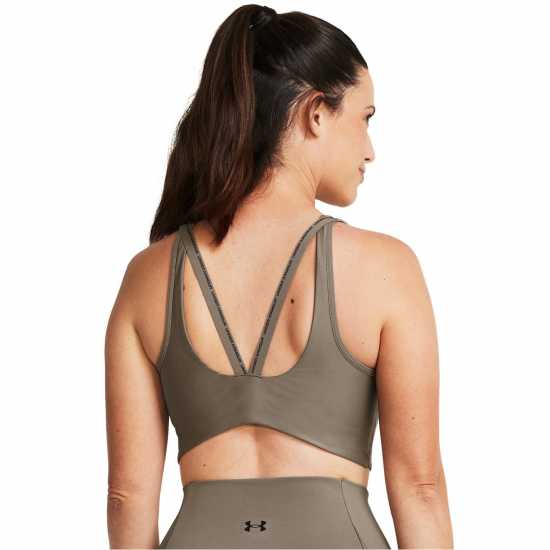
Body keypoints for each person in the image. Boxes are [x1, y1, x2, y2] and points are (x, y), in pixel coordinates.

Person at [105, 4, 454, 548]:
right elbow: (420, 488)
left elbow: (127, 497)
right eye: (365, 118)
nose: (370, 151)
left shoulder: (148, 276)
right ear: (316, 113)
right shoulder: (385, 268)